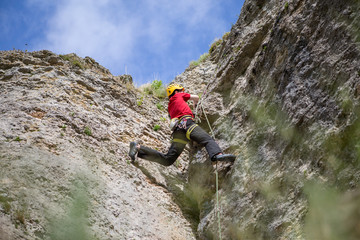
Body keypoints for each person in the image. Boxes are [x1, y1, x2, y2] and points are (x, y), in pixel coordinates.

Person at [128, 83, 236, 166]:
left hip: (178, 131)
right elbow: (196, 97)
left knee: (168, 159)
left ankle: (138, 148)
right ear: (177, 91)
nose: (181, 91)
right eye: (180, 90)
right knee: (207, 139)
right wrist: (195, 105)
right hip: (187, 123)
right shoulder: (179, 95)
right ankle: (217, 155)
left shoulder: (169, 107)